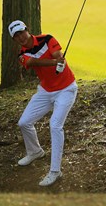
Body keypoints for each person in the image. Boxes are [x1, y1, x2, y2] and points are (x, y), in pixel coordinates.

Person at [8, 20, 78, 187]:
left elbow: (58, 56)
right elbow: (32, 63)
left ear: (27, 30)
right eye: (16, 36)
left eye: (21, 32)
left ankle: (55, 171)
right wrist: (54, 63)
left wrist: (60, 61)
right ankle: (35, 151)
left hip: (66, 89)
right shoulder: (22, 55)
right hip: (46, 91)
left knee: (55, 125)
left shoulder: (47, 39)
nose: (20, 37)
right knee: (24, 122)